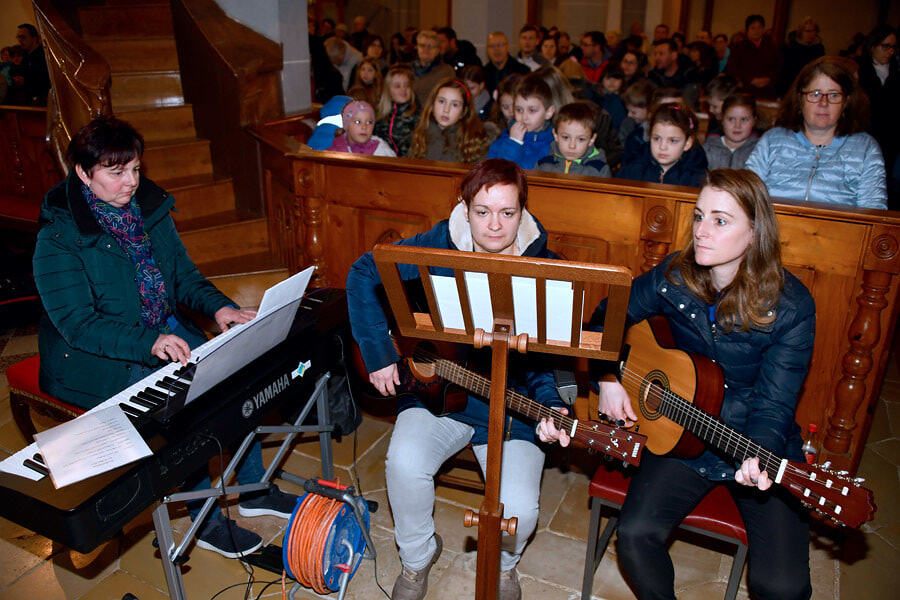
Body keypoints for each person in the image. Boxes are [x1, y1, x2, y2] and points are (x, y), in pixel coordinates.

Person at [33, 117, 295, 559]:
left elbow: (184, 278)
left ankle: (253, 490)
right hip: (97, 357)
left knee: (238, 373)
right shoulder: (58, 237)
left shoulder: (148, 209)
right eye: (117, 172)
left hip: (158, 329)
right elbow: (78, 325)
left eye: (135, 169)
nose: (131, 182)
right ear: (82, 172)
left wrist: (220, 308)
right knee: (187, 409)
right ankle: (204, 519)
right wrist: (150, 342)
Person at [345, 158, 571, 600]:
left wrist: (552, 404)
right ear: (465, 209)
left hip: (512, 404)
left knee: (520, 511)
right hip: (439, 391)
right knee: (404, 464)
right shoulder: (440, 242)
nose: (494, 225)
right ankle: (417, 558)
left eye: (507, 213)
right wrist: (378, 353)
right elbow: (365, 270)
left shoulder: (545, 265)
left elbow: (550, 358)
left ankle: (504, 566)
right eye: (482, 212)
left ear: (523, 211)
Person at [590, 167, 815, 600]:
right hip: (684, 432)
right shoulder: (674, 275)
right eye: (698, 216)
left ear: (755, 233)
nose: (701, 231)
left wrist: (760, 453)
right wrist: (607, 376)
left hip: (753, 437)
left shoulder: (792, 306)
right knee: (634, 536)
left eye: (720, 220)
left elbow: (774, 404)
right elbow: (606, 318)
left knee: (782, 587)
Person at [746, 56, 887, 209]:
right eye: (815, 94)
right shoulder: (772, 140)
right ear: (800, 99)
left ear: (846, 102)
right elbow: (747, 198)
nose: (823, 103)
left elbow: (873, 210)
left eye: (834, 95)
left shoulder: (866, 148)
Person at [857, 25, 900, 207]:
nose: (890, 51)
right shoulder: (860, 69)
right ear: (873, 46)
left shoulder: (896, 71)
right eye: (885, 46)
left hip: (890, 133)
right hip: (864, 129)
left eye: (893, 47)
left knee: (884, 176)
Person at [408, 78, 496, 163]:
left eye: (455, 105)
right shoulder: (420, 136)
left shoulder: (475, 142)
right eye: (441, 101)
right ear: (432, 104)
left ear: (464, 112)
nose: (446, 110)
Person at [617, 103, 707, 186]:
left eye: (673, 141)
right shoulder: (632, 169)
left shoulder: (697, 178)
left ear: (687, 143)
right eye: (657, 139)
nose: (662, 147)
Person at [488, 74, 556, 169]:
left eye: (532, 110)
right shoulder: (504, 140)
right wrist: (514, 143)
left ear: (548, 112)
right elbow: (499, 171)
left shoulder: (556, 144)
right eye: (519, 110)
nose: (524, 117)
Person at [535, 102, 611, 177]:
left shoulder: (599, 170)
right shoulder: (543, 165)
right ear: (556, 135)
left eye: (581, 139)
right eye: (566, 137)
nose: (572, 146)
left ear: (592, 139)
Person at [726, 15, 782, 99]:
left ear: (763, 29)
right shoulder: (738, 47)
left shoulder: (772, 47)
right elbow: (733, 68)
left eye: (760, 27)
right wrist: (750, 80)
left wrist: (769, 79)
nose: (756, 31)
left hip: (767, 90)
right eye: (753, 28)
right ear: (747, 30)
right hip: (745, 89)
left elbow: (778, 67)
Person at [703, 93, 760, 170]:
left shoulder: (760, 151)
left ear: (754, 121)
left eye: (744, 119)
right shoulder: (708, 149)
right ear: (722, 119)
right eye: (731, 119)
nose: (737, 126)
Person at [375, 66, 421, 156]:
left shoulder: (418, 115)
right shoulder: (379, 114)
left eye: (407, 85)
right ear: (388, 90)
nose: (403, 89)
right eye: (397, 86)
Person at [327, 99, 396, 156]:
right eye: (358, 122)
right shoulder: (334, 152)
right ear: (346, 125)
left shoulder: (382, 151)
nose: (364, 127)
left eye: (369, 122)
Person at [778, 17, 825, 96]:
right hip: (791, 85)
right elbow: (784, 71)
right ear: (801, 32)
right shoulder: (790, 47)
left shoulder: (819, 49)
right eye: (807, 31)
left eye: (813, 31)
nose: (811, 34)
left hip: (811, 85)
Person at [411, 30, 456, 104]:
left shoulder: (447, 71)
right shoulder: (407, 69)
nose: (426, 49)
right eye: (422, 45)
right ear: (416, 47)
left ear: (438, 50)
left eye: (431, 46)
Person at [15, 23, 49, 106]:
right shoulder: (25, 55)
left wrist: (26, 80)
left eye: (23, 37)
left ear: (34, 38)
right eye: (18, 37)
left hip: (43, 100)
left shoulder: (44, 56)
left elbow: (44, 80)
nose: (20, 40)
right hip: (28, 99)